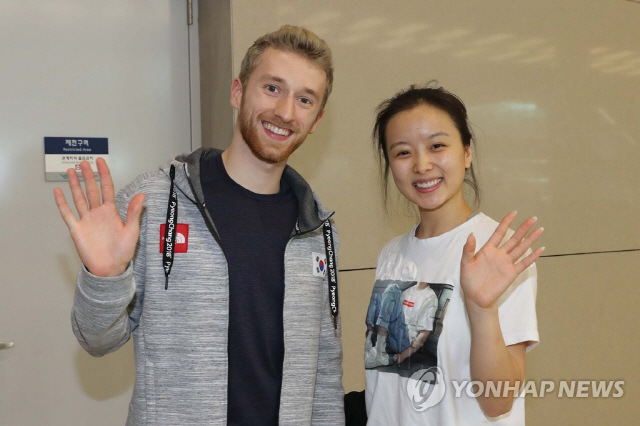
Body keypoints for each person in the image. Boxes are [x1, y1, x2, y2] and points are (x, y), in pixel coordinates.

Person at [53, 25, 344, 426]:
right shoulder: (150, 204)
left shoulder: (317, 229)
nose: (286, 111)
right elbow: (96, 340)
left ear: (316, 120)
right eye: (273, 88)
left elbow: (324, 371)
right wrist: (104, 278)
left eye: (305, 99)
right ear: (238, 93)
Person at [364, 83, 543, 425]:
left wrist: (482, 308)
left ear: (466, 152)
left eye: (437, 146)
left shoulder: (499, 251)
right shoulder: (391, 254)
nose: (421, 164)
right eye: (403, 152)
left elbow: (498, 404)